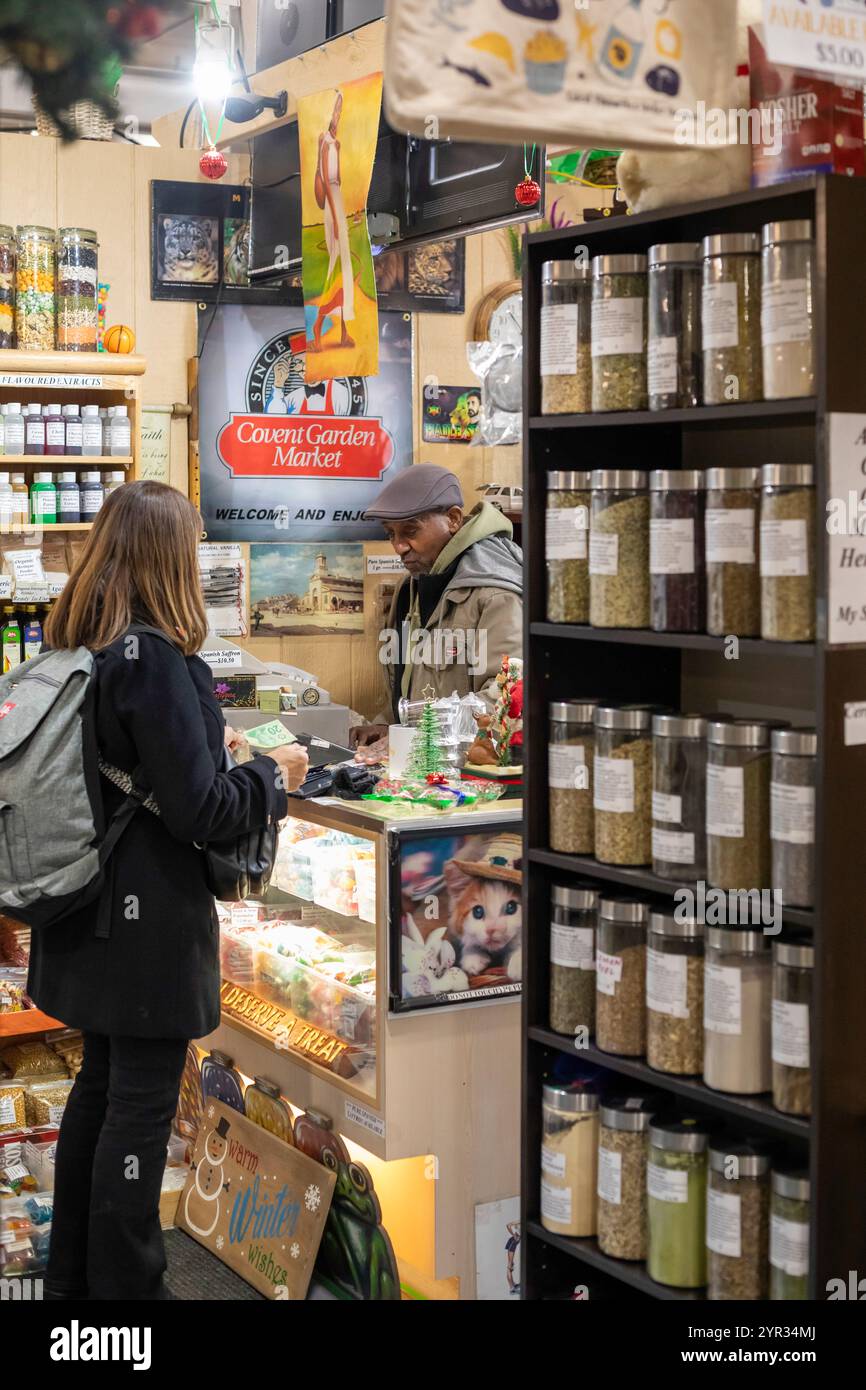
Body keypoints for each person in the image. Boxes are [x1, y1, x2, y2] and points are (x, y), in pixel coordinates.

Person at [27, 481, 309, 1301]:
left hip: (84, 910)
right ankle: (129, 1305)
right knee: (139, 1114)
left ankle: (75, 1293)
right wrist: (271, 771)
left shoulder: (82, 646)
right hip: (143, 927)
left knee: (101, 1093)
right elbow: (205, 812)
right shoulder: (156, 660)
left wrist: (201, 748)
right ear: (172, 560)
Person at [355, 463, 522, 753]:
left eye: (410, 531)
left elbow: (506, 699)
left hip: (476, 774)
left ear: (454, 519)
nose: (398, 546)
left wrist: (416, 738)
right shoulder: (410, 589)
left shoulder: (495, 593)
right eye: (390, 534)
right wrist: (388, 725)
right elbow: (409, 683)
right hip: (422, 765)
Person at [311, 89, 355, 352]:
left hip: (337, 197)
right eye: (336, 109)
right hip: (332, 198)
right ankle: (318, 328)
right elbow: (327, 180)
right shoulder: (326, 141)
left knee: (345, 268)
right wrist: (337, 219)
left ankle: (342, 332)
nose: (338, 114)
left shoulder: (333, 142)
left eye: (340, 109)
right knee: (337, 268)